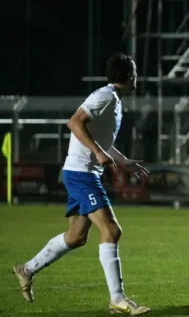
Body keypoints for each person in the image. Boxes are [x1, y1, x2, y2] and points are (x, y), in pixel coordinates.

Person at [12, 53, 151, 315]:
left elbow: (103, 140)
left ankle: (26, 270)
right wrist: (98, 153)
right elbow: (74, 122)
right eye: (134, 72)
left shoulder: (115, 101)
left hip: (85, 173)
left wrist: (122, 161)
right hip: (82, 173)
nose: (137, 77)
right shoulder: (105, 96)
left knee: (76, 238)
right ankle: (117, 299)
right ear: (129, 76)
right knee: (111, 230)